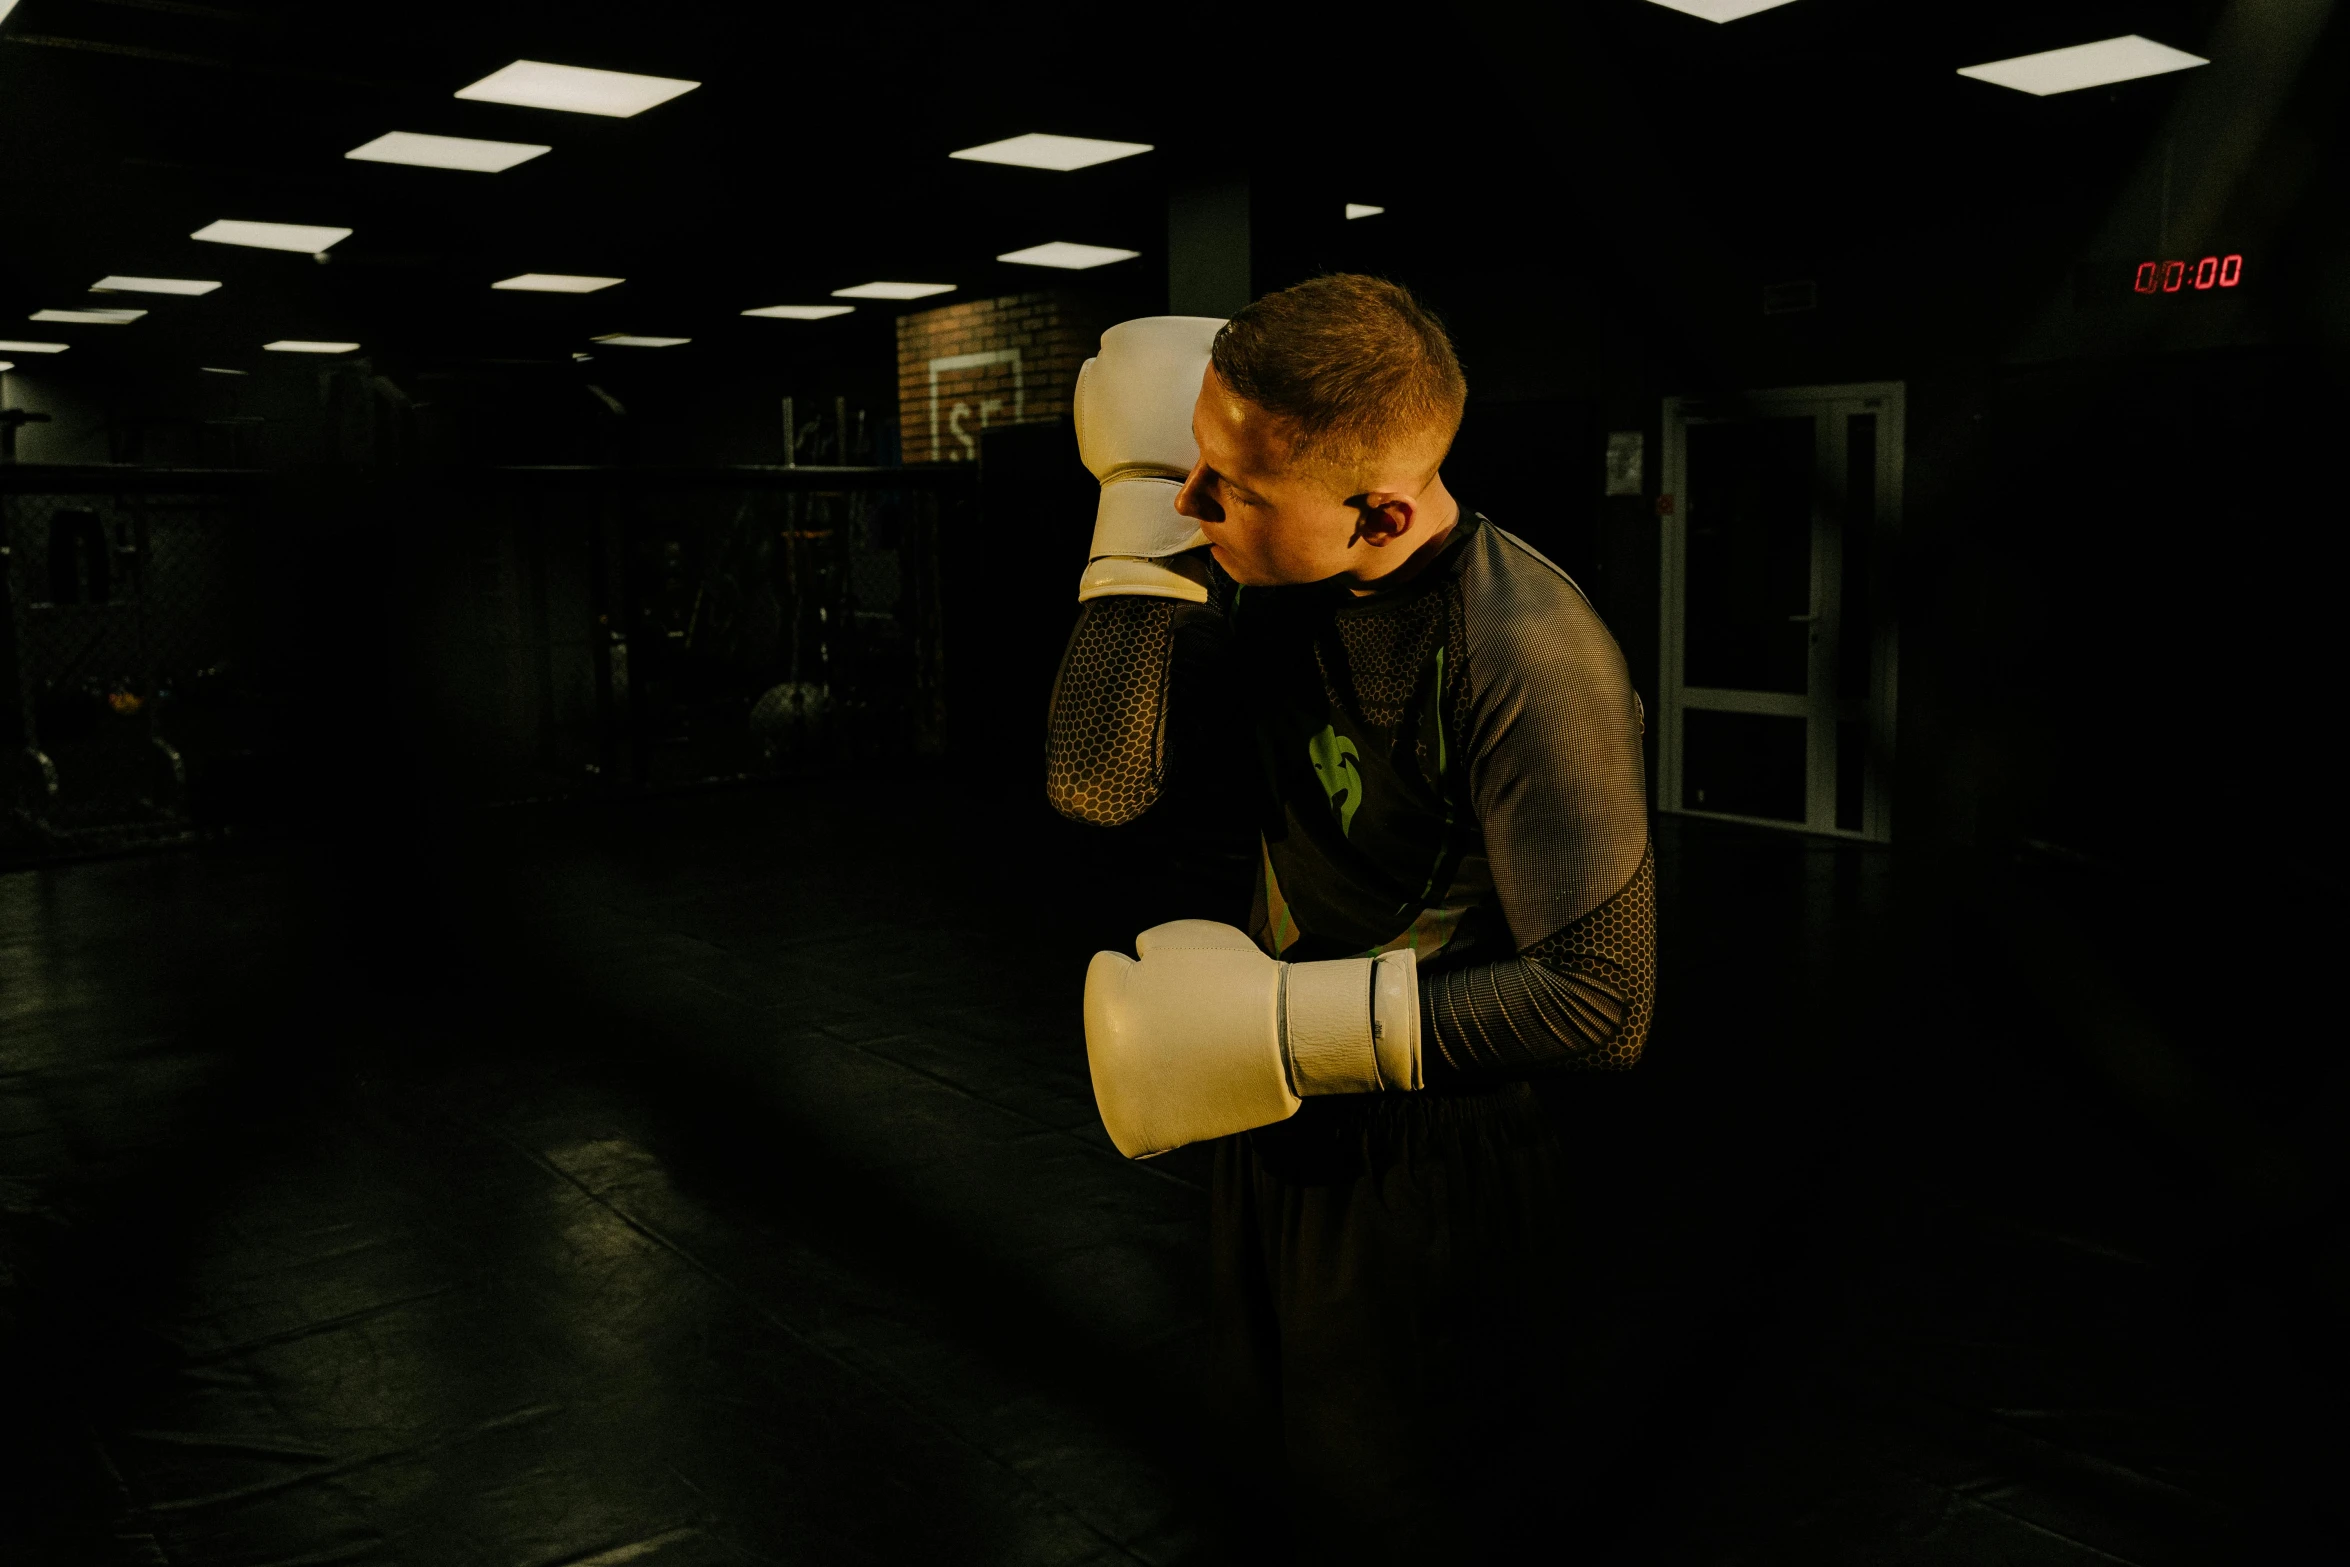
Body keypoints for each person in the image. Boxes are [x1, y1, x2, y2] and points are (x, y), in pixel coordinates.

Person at [1047, 276, 1654, 1562]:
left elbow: (1602, 1001)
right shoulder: (1283, 565)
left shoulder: (1530, 654)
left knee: (1397, 1508)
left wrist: (1286, 1019)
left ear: (1376, 512)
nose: (1187, 502)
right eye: (1191, 463)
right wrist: (1134, 517)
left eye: (1226, 487)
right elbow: (1097, 785)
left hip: (1437, 1169)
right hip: (1279, 1116)